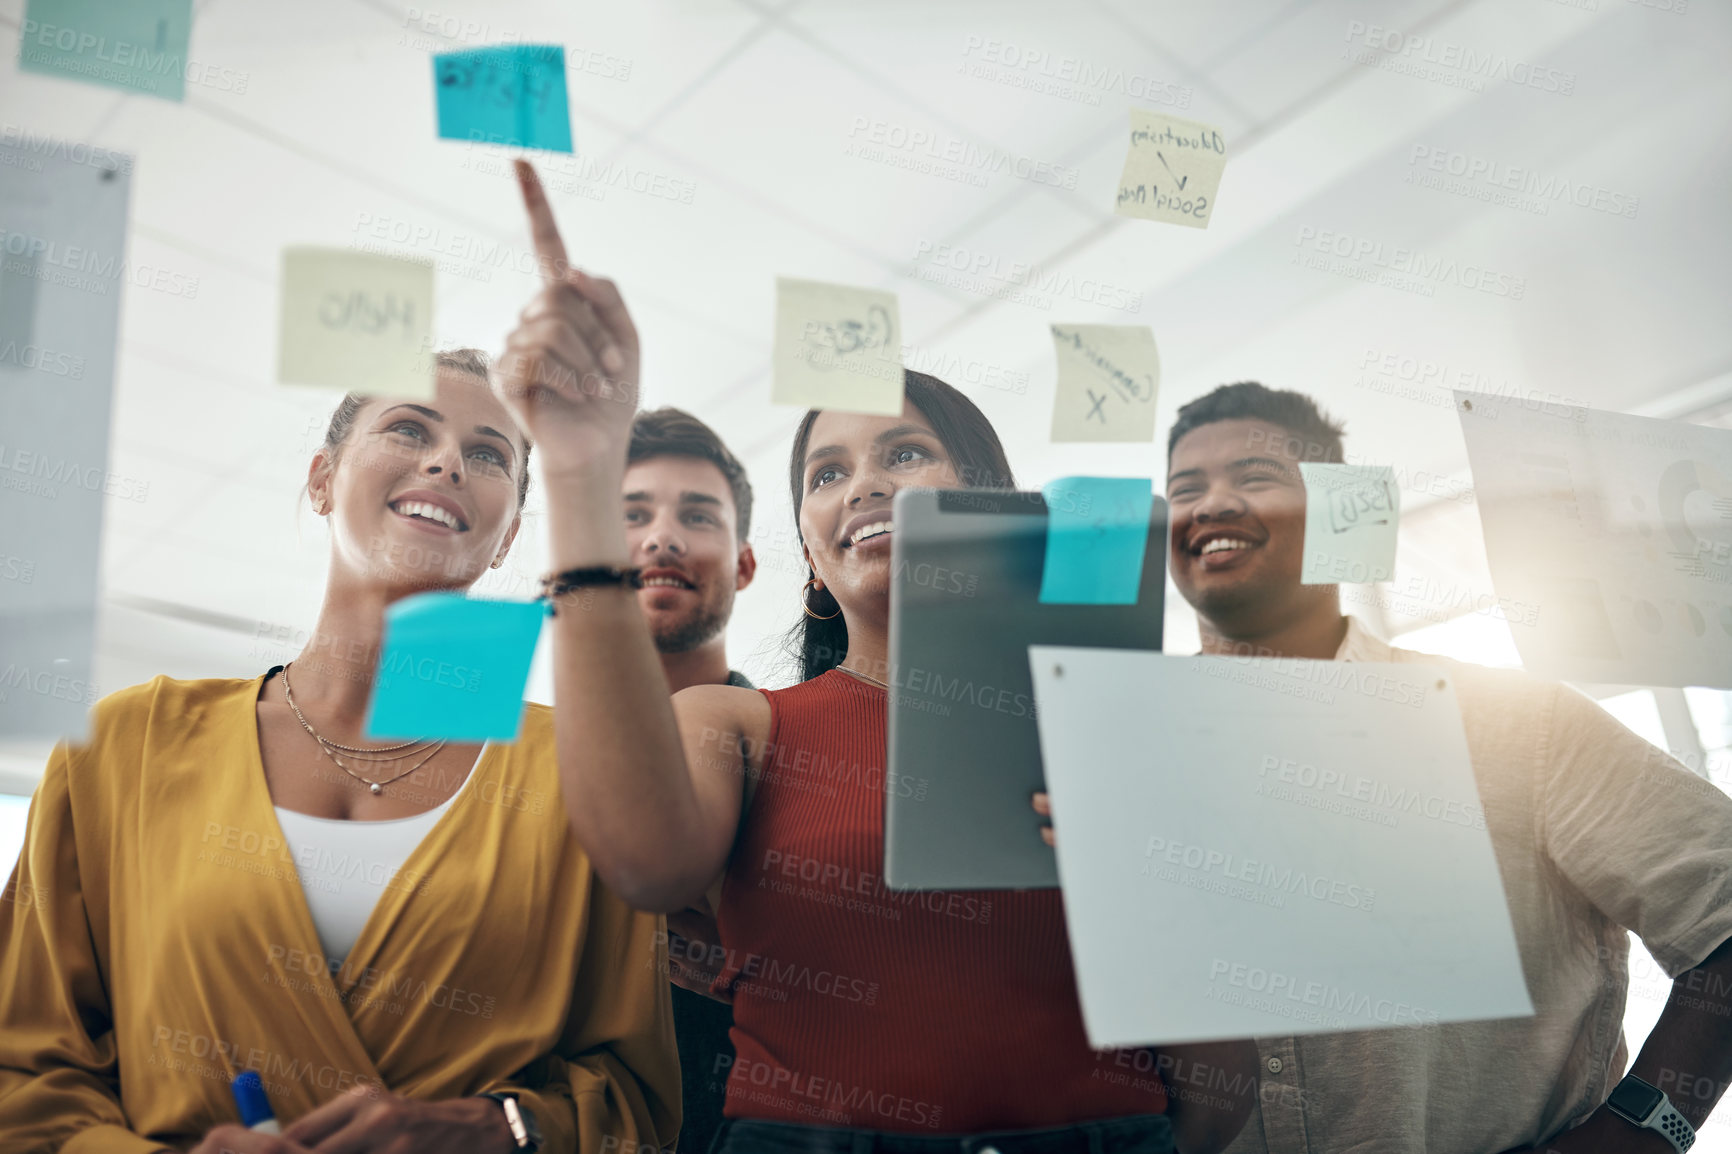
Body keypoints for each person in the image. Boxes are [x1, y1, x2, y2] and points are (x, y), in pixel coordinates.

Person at [488, 157, 1257, 1154]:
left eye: (903, 453)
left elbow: (1221, 1058)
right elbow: (640, 860)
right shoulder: (738, 724)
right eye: (827, 471)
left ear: (983, 494)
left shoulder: (1117, 729)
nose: (863, 485)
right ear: (809, 550)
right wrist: (580, 467)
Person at [0, 349, 680, 1154]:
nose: (446, 461)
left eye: (489, 454)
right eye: (407, 428)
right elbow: (23, 1068)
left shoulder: (580, 774)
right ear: (322, 480)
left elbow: (637, 1102)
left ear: (507, 540)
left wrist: (501, 1129)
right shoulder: (128, 744)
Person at [1123, 381, 1732, 1154]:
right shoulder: (1124, 761)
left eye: (1253, 477)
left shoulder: (1517, 722)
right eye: (1185, 489)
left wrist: (1644, 1131)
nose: (1209, 505)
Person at [620, 406, 759, 1154]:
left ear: (743, 563)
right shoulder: (516, 764)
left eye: (697, 515)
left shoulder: (806, 757)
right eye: (632, 514)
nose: (662, 536)